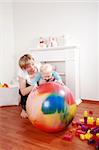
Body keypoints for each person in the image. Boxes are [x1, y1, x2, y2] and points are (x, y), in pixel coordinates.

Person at [18, 54, 41, 118]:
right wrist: (33, 87)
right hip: (28, 89)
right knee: (25, 115)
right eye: (28, 67)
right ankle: (24, 108)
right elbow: (23, 92)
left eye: (33, 64)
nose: (32, 67)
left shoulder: (39, 67)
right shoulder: (22, 73)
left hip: (38, 87)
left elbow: (51, 73)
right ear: (24, 69)